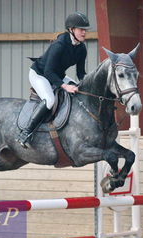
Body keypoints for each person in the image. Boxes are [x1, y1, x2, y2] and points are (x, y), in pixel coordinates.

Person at [16, 11, 90, 148]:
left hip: (57, 75)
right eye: (81, 30)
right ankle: (25, 133)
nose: (84, 33)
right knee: (49, 100)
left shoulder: (81, 49)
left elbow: (81, 73)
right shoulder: (60, 45)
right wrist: (64, 86)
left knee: (78, 90)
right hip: (40, 74)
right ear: (71, 29)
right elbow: (48, 71)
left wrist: (85, 85)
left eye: (85, 30)